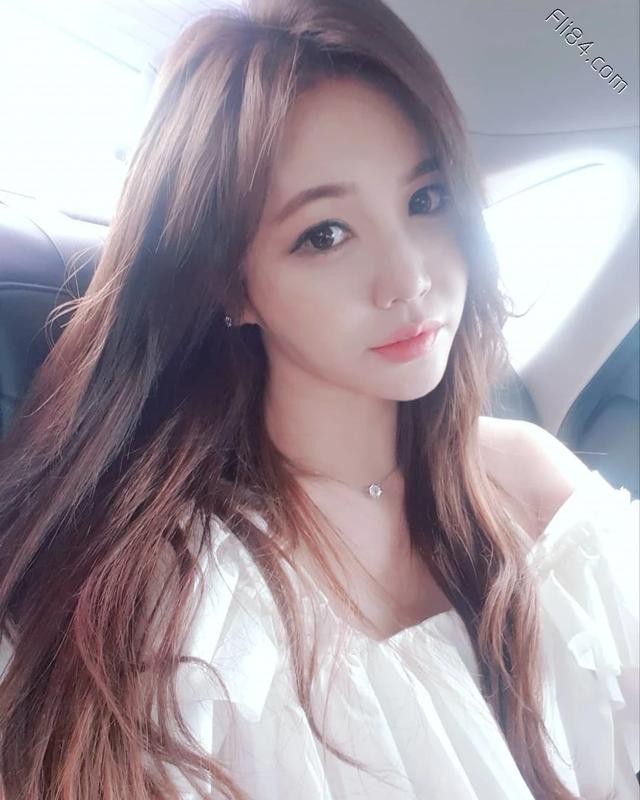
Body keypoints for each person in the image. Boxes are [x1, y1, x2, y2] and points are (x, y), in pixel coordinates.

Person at [0, 0, 637, 798]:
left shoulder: (530, 483)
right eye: (325, 234)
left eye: (426, 199)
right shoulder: (182, 598)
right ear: (231, 285)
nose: (408, 278)